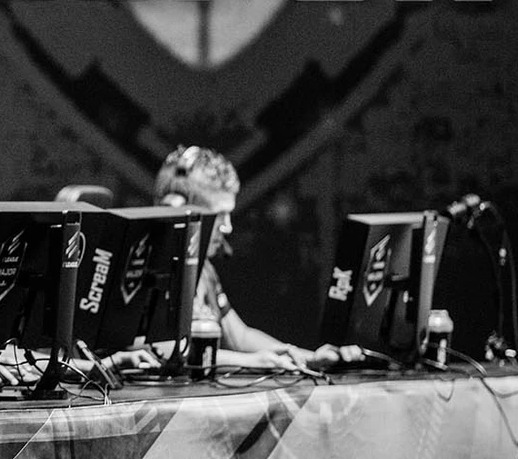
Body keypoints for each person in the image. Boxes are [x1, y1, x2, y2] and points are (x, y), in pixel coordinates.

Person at [154, 145, 362, 371]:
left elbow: (240, 337)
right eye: (219, 215)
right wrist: (248, 361)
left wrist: (307, 358)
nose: (228, 227)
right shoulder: (150, 269)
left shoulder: (204, 270)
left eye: (229, 214)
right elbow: (158, 349)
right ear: (176, 209)